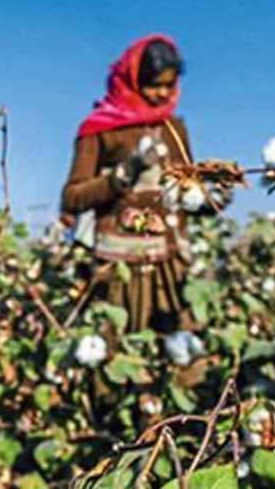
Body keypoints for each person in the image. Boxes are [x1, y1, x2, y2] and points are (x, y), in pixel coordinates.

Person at [61, 34, 209, 333]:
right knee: (119, 345)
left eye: (169, 85)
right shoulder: (100, 130)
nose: (163, 93)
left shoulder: (173, 129)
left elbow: (187, 193)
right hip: (119, 269)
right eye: (154, 85)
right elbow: (72, 197)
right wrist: (124, 174)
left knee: (179, 348)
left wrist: (212, 197)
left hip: (171, 265)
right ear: (132, 80)